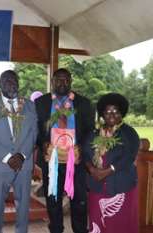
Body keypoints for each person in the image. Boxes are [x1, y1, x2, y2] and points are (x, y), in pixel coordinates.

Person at [35, 68, 95, 233]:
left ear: (71, 81)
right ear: (52, 82)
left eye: (66, 80)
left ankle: (80, 230)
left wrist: (81, 148)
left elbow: (91, 131)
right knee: (53, 200)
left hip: (76, 161)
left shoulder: (84, 103)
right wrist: (43, 143)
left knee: (79, 201)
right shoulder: (41, 103)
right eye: (59, 80)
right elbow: (36, 131)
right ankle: (55, 229)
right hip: (52, 161)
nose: (62, 83)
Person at [0, 70, 37, 233]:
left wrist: (21, 155)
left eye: (14, 79)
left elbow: (34, 132)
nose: (10, 82)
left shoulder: (29, 105)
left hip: (23, 164)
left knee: (23, 205)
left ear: (18, 83)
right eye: (6, 80)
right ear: (0, 84)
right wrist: (7, 157)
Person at [82, 93, 139, 233]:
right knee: (97, 221)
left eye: (115, 111)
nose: (111, 114)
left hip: (121, 187)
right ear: (102, 114)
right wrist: (91, 169)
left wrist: (107, 171)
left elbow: (129, 156)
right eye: (107, 111)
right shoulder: (95, 132)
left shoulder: (128, 132)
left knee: (119, 224)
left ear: (122, 114)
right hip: (97, 187)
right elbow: (84, 152)